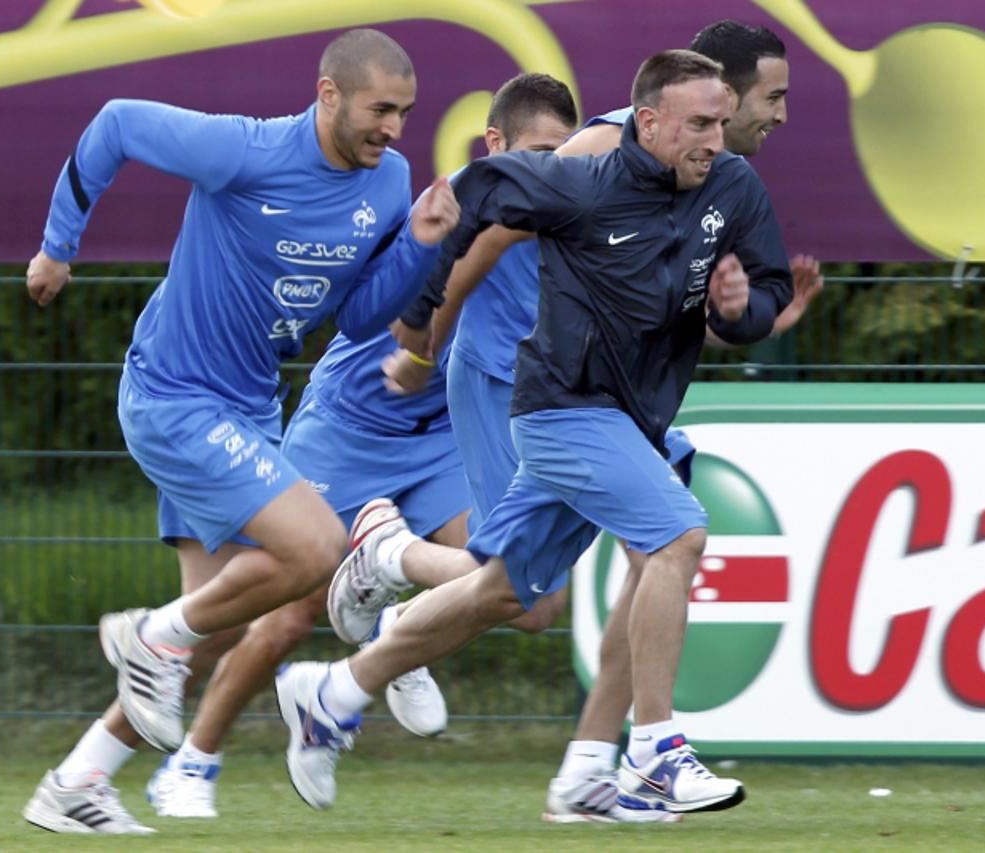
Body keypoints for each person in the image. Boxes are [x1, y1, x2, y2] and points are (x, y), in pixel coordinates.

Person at [279, 49, 793, 816]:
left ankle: (336, 686)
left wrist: (736, 308)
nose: (722, 135)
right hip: (558, 409)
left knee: (510, 592)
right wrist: (418, 330)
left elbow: (764, 294)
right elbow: (475, 203)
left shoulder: (730, 187)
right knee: (675, 536)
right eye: (703, 122)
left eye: (723, 121)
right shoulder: (584, 173)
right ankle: (653, 749)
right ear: (646, 121)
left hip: (627, 415)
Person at [19, 28, 459, 834]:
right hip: (173, 395)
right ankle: (147, 636)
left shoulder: (389, 182)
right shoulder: (245, 151)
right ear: (328, 95)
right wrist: (57, 248)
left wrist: (422, 244)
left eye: (404, 113)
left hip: (249, 409)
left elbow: (361, 316)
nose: (394, 129)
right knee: (315, 549)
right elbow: (115, 121)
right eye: (379, 109)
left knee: (216, 625)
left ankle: (78, 781)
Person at [144, 70, 583, 819]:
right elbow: (409, 318)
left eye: (564, 156)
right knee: (285, 611)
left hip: (441, 435)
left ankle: (383, 616)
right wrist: (417, 347)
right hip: (347, 426)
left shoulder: (561, 226)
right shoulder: (460, 209)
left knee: (531, 598)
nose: (551, 170)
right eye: (538, 152)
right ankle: (192, 760)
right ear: (495, 145)